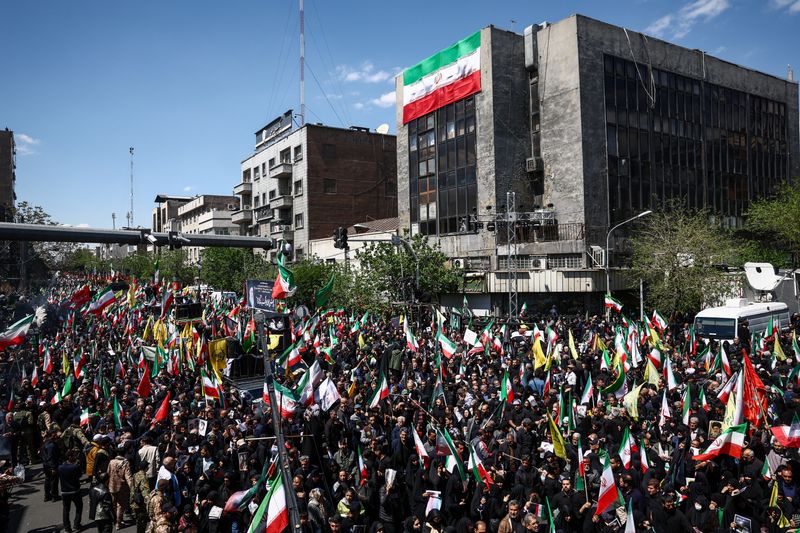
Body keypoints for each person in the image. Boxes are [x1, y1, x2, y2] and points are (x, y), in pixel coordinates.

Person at [107, 442, 135, 529]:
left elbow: (108, 472)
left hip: (112, 485)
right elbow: (128, 476)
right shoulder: (125, 463)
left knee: (114, 504)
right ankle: (118, 523)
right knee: (120, 505)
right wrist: (132, 488)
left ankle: (116, 520)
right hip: (122, 487)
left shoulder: (111, 461)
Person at [58, 449, 83, 533]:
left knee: (66, 510)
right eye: (74, 455)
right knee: (79, 507)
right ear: (70, 457)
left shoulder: (60, 467)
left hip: (65, 492)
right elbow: (80, 475)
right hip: (75, 491)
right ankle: (77, 524)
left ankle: (67, 528)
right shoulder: (75, 467)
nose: (75, 457)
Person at [41, 428, 61, 502]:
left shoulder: (45, 442)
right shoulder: (51, 445)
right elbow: (51, 457)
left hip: (45, 465)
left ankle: (47, 496)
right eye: (54, 434)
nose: (56, 435)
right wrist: (53, 468)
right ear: (51, 435)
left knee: (47, 480)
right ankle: (54, 496)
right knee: (54, 481)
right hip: (51, 465)